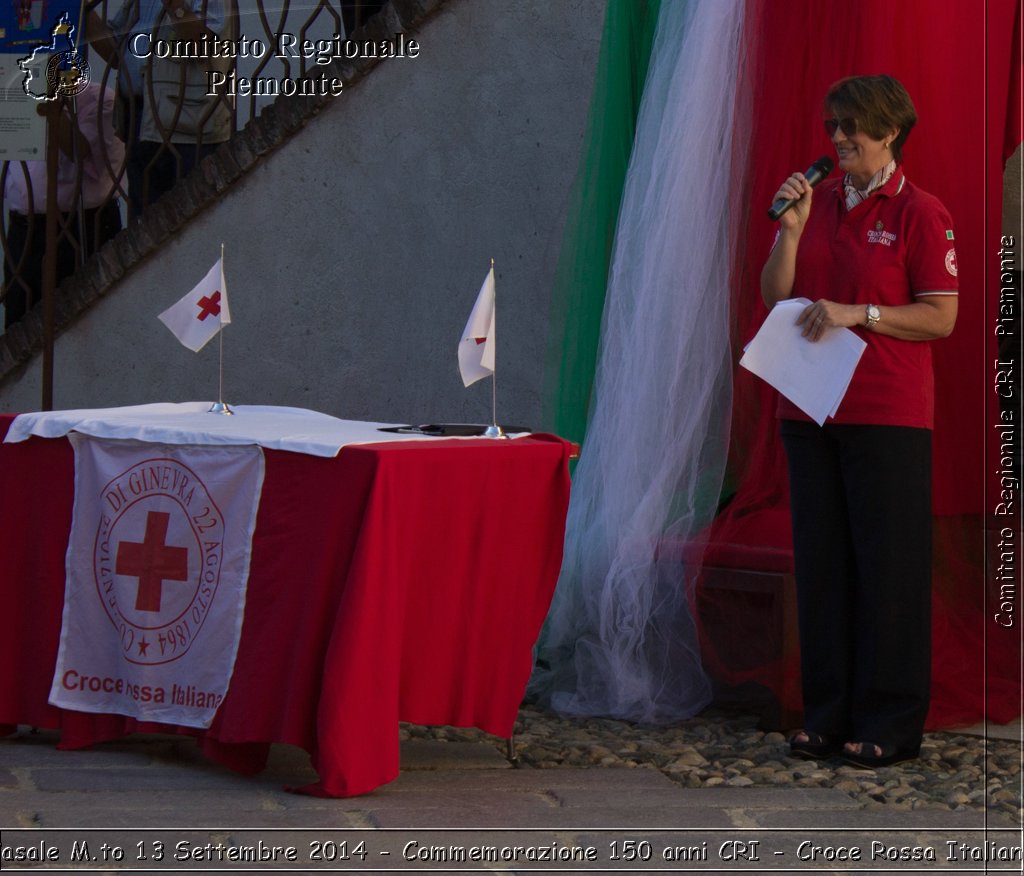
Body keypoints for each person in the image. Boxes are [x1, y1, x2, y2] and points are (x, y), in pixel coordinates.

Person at [760, 75, 958, 768]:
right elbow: (775, 295)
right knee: (823, 564)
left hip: (886, 414)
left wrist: (858, 314)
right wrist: (789, 232)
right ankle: (828, 713)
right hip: (808, 405)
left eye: (852, 127)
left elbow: (942, 314)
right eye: (833, 126)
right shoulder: (812, 207)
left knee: (889, 569)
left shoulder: (920, 213)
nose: (838, 138)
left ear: (891, 132)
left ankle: (890, 721)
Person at [87, 0, 236, 219]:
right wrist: (84, 12)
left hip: (187, 126)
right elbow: (115, 53)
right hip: (140, 118)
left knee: (193, 221)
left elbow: (205, 47)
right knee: (146, 225)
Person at [2, 81, 125, 329]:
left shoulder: (98, 99)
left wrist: (52, 109)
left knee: (84, 323)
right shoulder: (13, 95)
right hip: (25, 231)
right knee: (21, 325)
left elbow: (81, 154)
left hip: (82, 226)